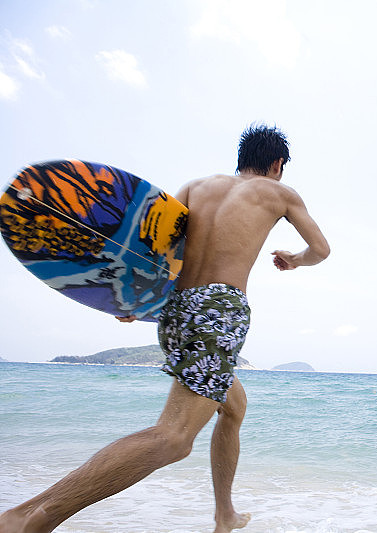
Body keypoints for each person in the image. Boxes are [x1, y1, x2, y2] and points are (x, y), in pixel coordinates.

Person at [0, 124, 330, 533]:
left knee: (234, 406)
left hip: (176, 311)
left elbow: (154, 244)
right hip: (218, 311)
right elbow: (321, 249)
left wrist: (130, 299)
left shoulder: (195, 187)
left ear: (242, 158)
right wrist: (294, 260)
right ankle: (31, 516)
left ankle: (224, 514)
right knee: (173, 438)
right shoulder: (280, 193)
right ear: (277, 164)